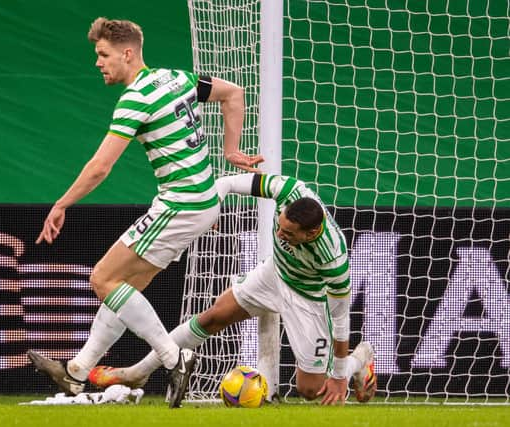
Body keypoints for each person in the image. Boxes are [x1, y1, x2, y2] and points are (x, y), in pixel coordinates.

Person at [27, 17, 264, 408]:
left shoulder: (136, 98)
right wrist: (231, 149)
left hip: (180, 203)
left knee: (103, 278)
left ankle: (175, 358)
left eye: (103, 55)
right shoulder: (176, 78)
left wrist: (61, 203)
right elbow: (233, 93)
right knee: (125, 289)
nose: (98, 63)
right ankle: (77, 372)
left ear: (127, 53)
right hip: (201, 201)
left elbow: (101, 167)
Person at [89, 173, 377, 405]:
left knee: (310, 390)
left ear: (311, 233)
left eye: (288, 234)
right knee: (214, 316)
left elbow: (340, 319)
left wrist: (339, 375)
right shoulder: (289, 189)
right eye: (279, 226)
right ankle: (137, 373)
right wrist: (208, 210)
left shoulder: (333, 257)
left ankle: (359, 360)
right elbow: (227, 182)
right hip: (274, 272)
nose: (279, 234)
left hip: (308, 297)